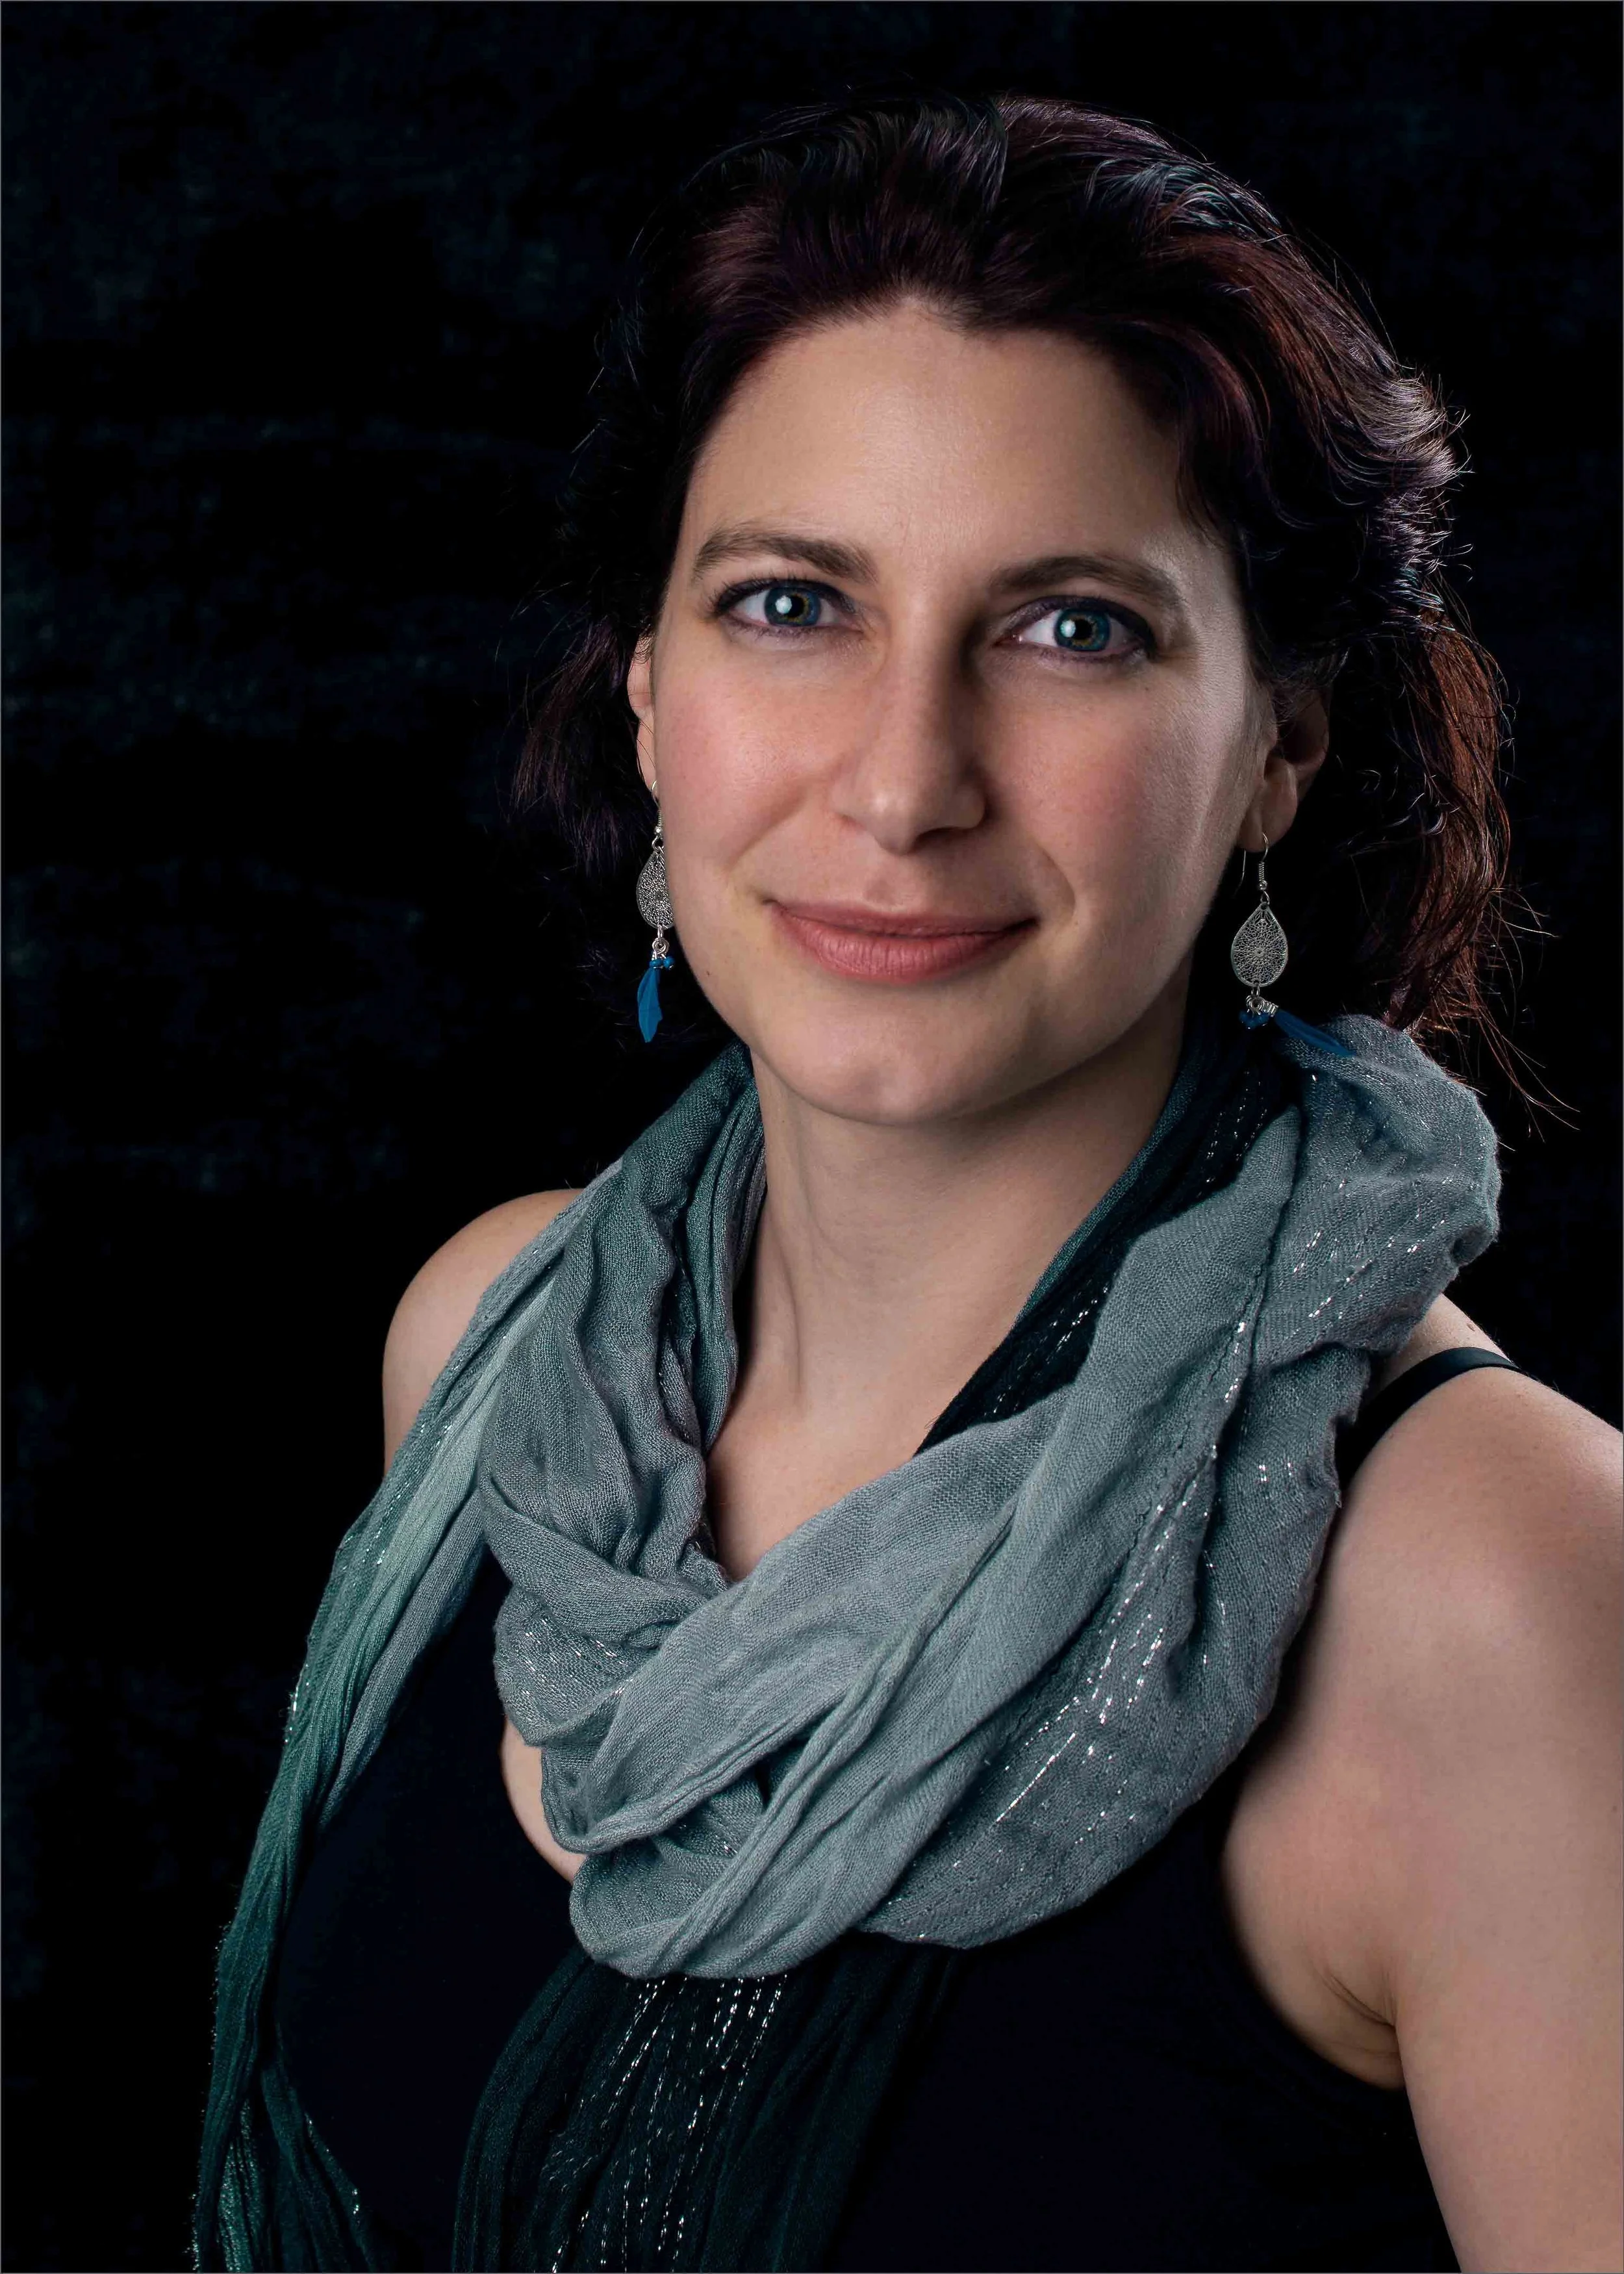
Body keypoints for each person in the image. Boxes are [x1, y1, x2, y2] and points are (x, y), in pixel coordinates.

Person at [196, 94, 1621, 2274]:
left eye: (1070, 630)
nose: (901, 780)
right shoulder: (493, 1352)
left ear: (1280, 742)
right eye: (791, 604)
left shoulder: (1499, 1581)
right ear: (650, 693)